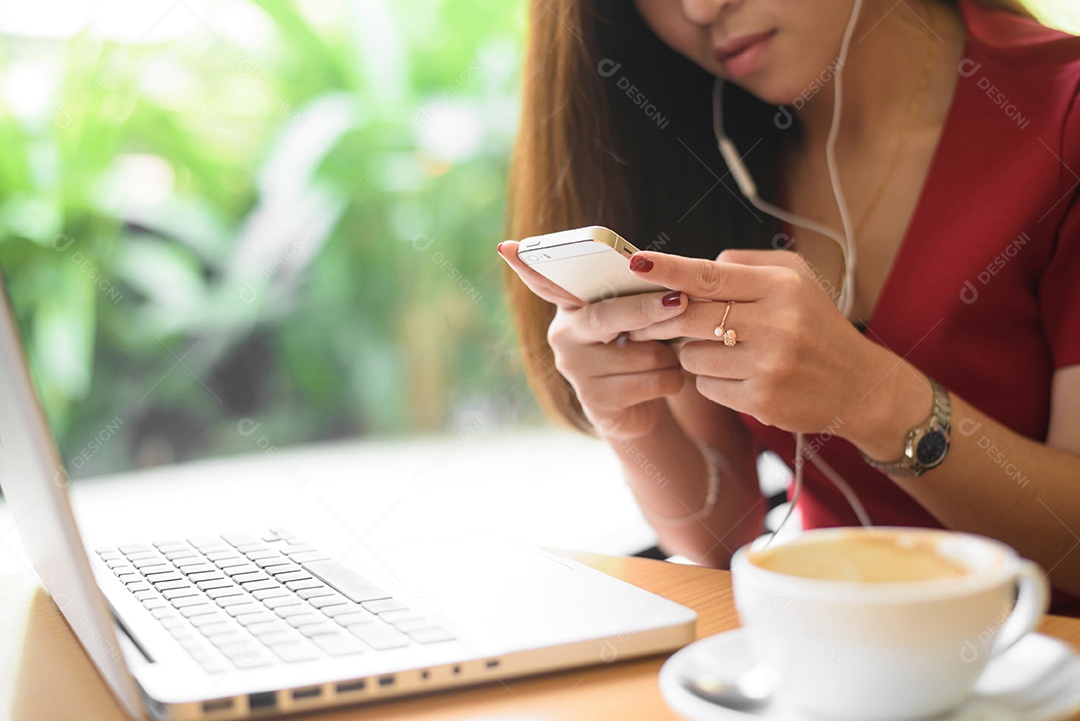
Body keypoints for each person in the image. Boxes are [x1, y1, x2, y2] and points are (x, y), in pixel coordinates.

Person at [498, 0, 1080, 613]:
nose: (700, 9)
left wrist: (872, 398)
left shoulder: (1060, 115)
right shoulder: (704, 141)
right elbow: (720, 538)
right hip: (827, 649)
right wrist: (634, 426)